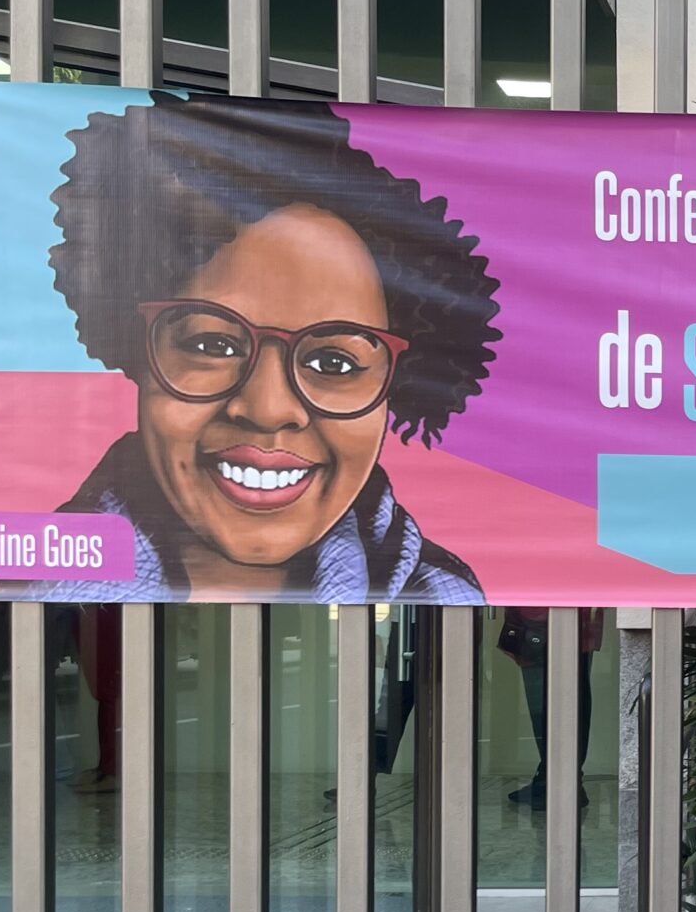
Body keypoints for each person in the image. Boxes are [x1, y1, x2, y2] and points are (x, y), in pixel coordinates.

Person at [28, 95, 500, 603]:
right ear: (136, 350)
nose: (267, 409)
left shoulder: (445, 599)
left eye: (333, 362)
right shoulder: (35, 603)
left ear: (398, 386)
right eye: (212, 344)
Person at [498, 606, 600, 809]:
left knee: (548, 704)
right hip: (570, 618)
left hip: (545, 617)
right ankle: (553, 778)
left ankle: (558, 782)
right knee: (570, 700)